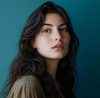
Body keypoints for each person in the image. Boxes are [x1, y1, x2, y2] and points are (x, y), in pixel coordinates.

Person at [3, 1, 79, 98]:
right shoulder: (28, 84)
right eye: (47, 30)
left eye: (63, 29)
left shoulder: (60, 85)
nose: (58, 37)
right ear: (32, 41)